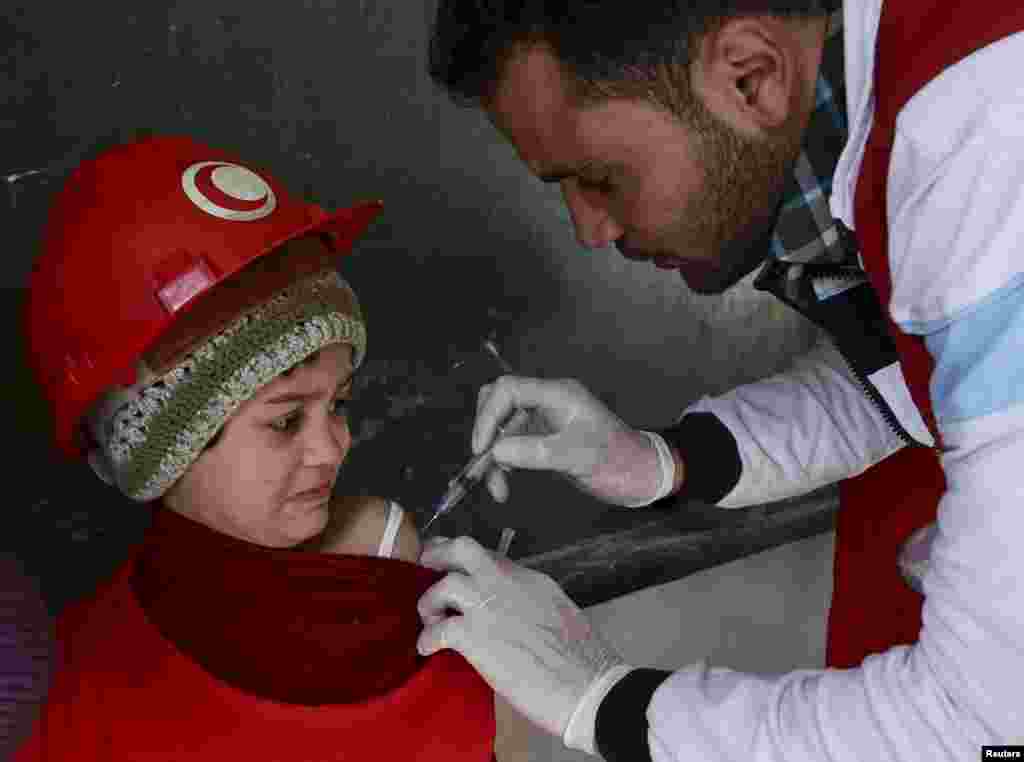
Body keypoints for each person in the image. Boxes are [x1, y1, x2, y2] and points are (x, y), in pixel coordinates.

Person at [414, 1, 1024, 760]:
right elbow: (911, 377)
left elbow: (983, 722)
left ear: (750, 78)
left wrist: (594, 696)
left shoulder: (989, 146)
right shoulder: (864, 107)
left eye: (598, 178)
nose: (588, 230)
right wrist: (658, 461)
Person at [16, 135, 496, 760]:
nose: (333, 448)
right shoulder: (74, 705)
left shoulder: (401, 566)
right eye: (286, 420)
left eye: (339, 404)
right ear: (157, 453)